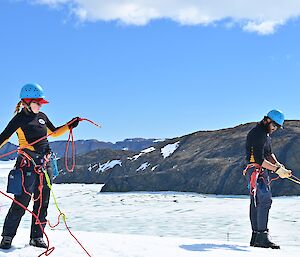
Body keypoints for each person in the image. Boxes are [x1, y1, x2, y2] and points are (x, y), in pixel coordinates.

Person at [0, 83, 80, 249]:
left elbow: (55, 131)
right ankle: (7, 237)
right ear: (27, 101)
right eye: (38, 102)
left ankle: (36, 237)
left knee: (42, 202)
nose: (41, 105)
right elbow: (3, 138)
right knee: (21, 202)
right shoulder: (18, 119)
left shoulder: (42, 116)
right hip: (27, 165)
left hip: (44, 164)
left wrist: (69, 125)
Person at [244, 109, 292, 249]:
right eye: (274, 125)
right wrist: (277, 170)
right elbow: (259, 159)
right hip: (256, 170)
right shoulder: (258, 134)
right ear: (267, 120)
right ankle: (262, 237)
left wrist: (279, 165)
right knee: (265, 199)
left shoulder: (264, 134)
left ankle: (256, 237)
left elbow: (269, 153)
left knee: (257, 201)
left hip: (258, 170)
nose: (275, 129)